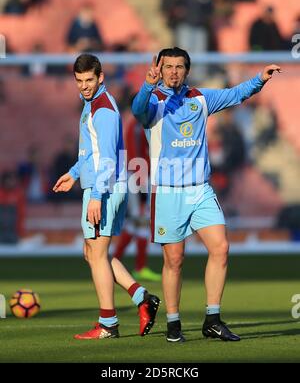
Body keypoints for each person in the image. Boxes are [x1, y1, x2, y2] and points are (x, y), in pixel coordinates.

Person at [132, 47, 281, 342]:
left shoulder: (200, 98)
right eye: (168, 66)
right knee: (175, 260)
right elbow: (138, 111)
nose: (173, 71)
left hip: (200, 189)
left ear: (187, 70)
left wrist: (259, 79)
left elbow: (235, 94)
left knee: (221, 248)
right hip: (168, 193)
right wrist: (147, 85)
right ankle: (173, 324)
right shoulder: (153, 101)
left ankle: (212, 319)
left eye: (179, 67)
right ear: (159, 70)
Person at [53, 54, 160, 340]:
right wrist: (74, 173)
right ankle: (142, 298)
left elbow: (109, 159)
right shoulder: (92, 105)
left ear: (101, 77)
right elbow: (92, 151)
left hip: (106, 188)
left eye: (89, 80)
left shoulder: (103, 109)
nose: (84, 86)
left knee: (97, 254)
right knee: (93, 253)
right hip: (102, 186)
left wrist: (97, 196)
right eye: (79, 81)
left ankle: (108, 324)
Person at [113, 117, 161, 282]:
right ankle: (138, 267)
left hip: (141, 174)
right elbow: (134, 153)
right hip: (138, 175)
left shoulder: (137, 124)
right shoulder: (136, 126)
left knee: (136, 222)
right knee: (141, 219)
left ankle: (116, 262)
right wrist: (140, 181)